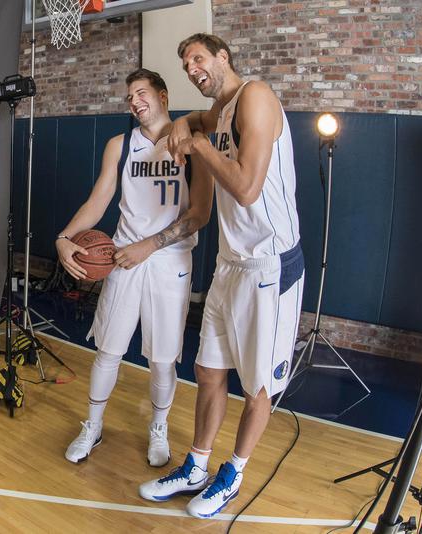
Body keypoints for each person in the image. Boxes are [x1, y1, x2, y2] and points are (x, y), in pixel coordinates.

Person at [138, 34, 304, 518]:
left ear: (223, 57)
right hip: (231, 264)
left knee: (258, 386)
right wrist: (186, 128)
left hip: (270, 264)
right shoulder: (223, 109)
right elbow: (196, 120)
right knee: (209, 371)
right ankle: (196, 465)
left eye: (198, 59)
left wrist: (196, 146)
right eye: (186, 63)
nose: (192, 69)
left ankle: (233, 472)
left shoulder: (256, 95)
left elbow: (248, 189)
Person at [55, 68, 213, 466]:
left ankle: (158, 428)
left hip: (169, 259)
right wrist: (64, 237)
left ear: (162, 95)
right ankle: (92, 426)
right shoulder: (119, 145)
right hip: (124, 258)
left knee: (162, 359)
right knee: (107, 351)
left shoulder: (193, 145)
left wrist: (149, 246)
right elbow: (98, 201)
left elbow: (199, 215)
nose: (134, 101)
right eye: (129, 96)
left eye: (141, 92)